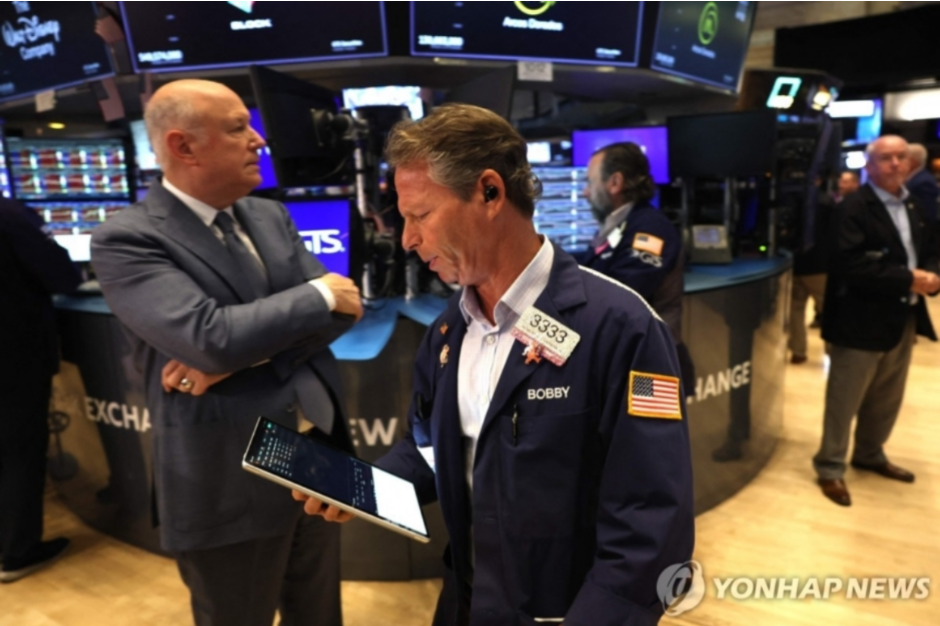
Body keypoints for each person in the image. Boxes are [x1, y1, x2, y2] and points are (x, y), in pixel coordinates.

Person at [296, 104, 695, 625]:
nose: (407, 239)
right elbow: (432, 451)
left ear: (489, 192)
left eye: (420, 215)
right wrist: (359, 486)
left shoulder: (624, 329)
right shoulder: (448, 332)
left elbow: (652, 525)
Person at [91, 79, 363, 626]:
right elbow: (209, 339)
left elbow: (346, 310)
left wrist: (246, 356)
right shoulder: (128, 239)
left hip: (317, 458)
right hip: (226, 478)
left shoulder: (268, 215)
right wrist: (316, 293)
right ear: (183, 146)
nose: (259, 140)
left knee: (320, 614)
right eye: (239, 128)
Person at [815, 135, 940, 507]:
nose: (896, 164)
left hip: (901, 317)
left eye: (901, 156)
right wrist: (908, 278)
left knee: (886, 398)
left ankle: (870, 453)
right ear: (869, 165)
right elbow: (849, 264)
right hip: (858, 320)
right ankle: (830, 466)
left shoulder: (913, 204)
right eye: (886, 158)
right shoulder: (853, 207)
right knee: (844, 400)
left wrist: (932, 275)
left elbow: (929, 249)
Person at [0, 199, 81, 583]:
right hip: (13, 357)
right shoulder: (9, 215)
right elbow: (63, 275)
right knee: (20, 452)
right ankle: (19, 551)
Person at [577, 141, 695, 394]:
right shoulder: (618, 227)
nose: (585, 193)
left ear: (615, 183)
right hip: (625, 360)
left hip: (651, 366)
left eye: (590, 182)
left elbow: (621, 295)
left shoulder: (650, 229)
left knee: (646, 422)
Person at [789, 177, 834, 363]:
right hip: (820, 265)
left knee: (795, 310)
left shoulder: (791, 199)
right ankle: (833, 351)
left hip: (796, 263)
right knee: (829, 310)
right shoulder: (827, 201)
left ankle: (798, 351)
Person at [905, 143, 939, 223]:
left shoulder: (923, 182)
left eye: (901, 157)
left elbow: (928, 214)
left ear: (912, 161)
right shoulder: (918, 177)